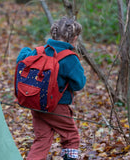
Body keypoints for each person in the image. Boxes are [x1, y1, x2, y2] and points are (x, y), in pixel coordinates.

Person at [16, 16, 86, 160]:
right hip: (57, 106)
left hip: (35, 103)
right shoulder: (70, 58)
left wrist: (24, 50)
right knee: (71, 137)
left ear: (53, 33)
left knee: (42, 139)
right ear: (74, 38)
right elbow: (79, 84)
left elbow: (22, 60)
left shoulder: (39, 51)